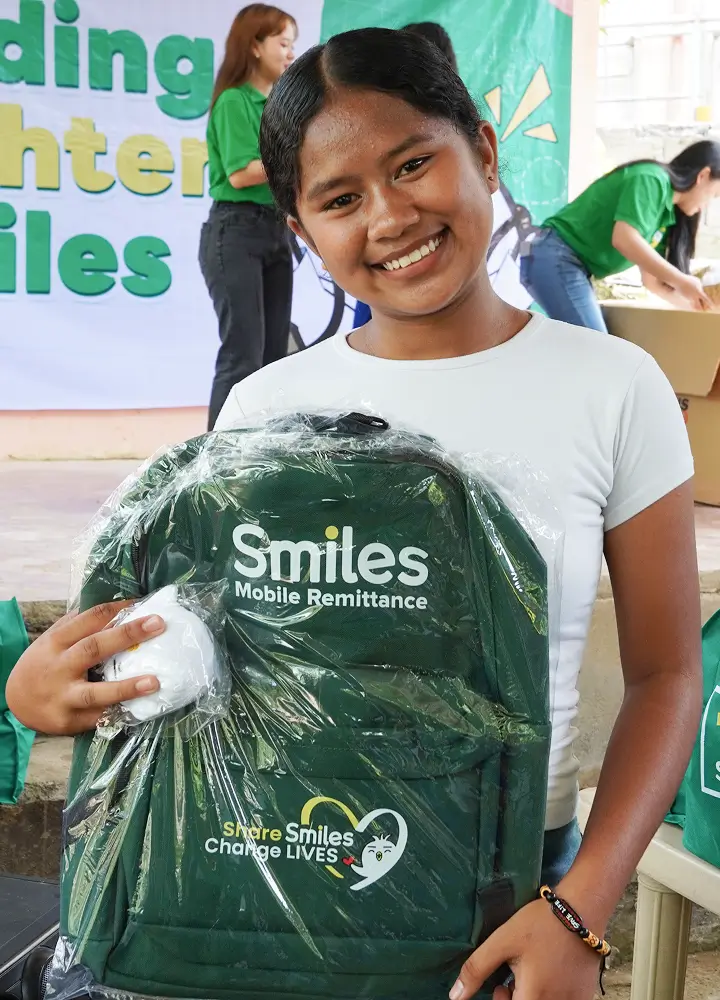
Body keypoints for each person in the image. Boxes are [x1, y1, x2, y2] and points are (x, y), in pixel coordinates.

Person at [7, 27, 702, 1000]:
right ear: (299, 227)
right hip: (268, 851)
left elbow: (667, 675)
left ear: (484, 151)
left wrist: (579, 909)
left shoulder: (614, 386)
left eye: (413, 164)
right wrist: (50, 690)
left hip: (508, 885)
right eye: (339, 199)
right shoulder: (263, 406)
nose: (389, 215)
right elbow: (196, 654)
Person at [199, 4, 297, 430]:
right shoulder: (234, 101)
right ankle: (216, 458)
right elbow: (241, 174)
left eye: (292, 45)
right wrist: (304, 159)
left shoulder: (280, 107)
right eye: (283, 43)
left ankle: (262, 454)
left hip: (276, 231)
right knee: (243, 354)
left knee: (274, 359)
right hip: (235, 233)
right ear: (255, 46)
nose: (291, 53)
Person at [520, 142, 720, 332]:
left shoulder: (665, 216)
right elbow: (624, 239)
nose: (708, 204)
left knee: (586, 345)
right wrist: (682, 281)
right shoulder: (651, 179)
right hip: (556, 255)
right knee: (596, 346)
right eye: (715, 194)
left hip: (566, 264)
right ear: (703, 175)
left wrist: (698, 306)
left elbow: (652, 282)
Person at [352, 20, 458, 329]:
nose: (391, 221)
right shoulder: (373, 116)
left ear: (484, 158)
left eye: (414, 165)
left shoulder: (450, 118)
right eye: (343, 199)